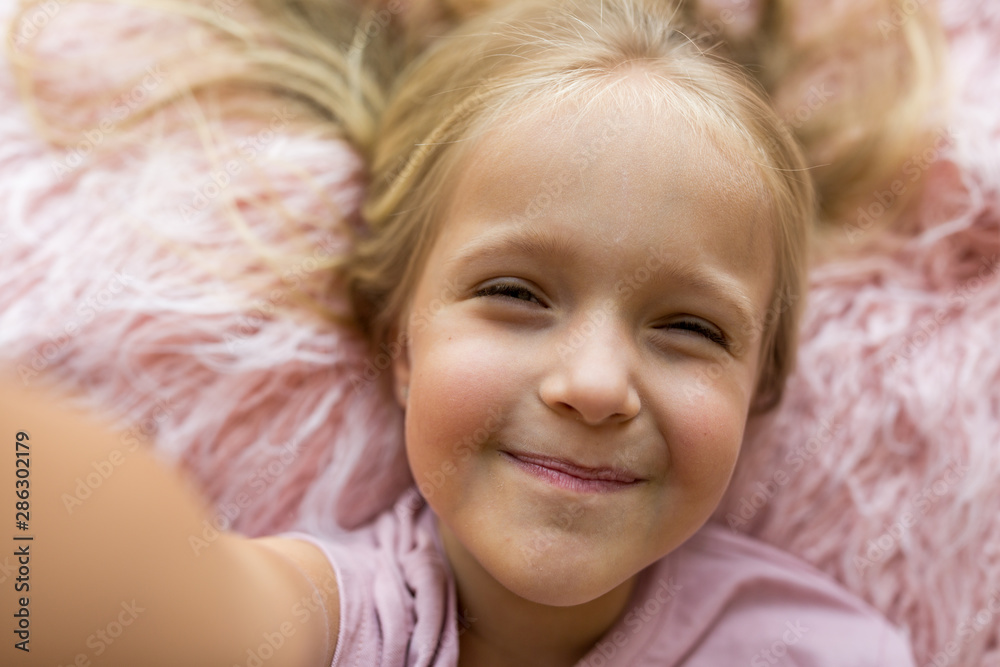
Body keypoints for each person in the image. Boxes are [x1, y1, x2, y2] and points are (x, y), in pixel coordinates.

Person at [1, 0, 924, 665]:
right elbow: (138, 589)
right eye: (517, 294)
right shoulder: (347, 623)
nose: (597, 384)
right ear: (401, 343)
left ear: (760, 383)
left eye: (688, 326)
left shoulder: (824, 647)